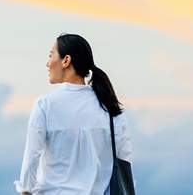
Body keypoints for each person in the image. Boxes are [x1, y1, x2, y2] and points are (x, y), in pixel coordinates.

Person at [13, 33, 136, 195]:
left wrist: (26, 191)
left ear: (66, 60)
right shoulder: (111, 108)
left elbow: (31, 160)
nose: (47, 63)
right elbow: (125, 165)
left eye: (51, 55)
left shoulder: (46, 105)